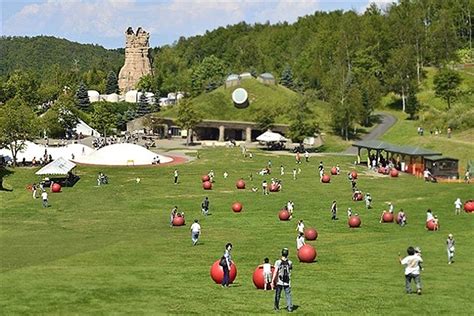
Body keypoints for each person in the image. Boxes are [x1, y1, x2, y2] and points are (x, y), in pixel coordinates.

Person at [273, 248, 293, 312]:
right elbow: (290, 270)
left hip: (279, 281)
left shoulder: (278, 262)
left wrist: (273, 280)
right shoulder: (290, 262)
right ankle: (289, 308)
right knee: (288, 295)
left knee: (277, 294)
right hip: (287, 281)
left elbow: (275, 271)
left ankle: (276, 307)